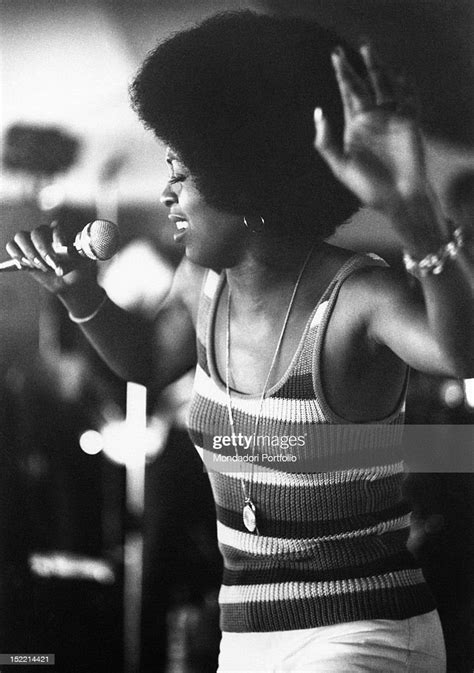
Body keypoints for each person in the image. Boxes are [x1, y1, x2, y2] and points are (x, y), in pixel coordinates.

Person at [6, 11, 473, 672]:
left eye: (180, 171)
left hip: (362, 631)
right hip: (247, 635)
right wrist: (79, 294)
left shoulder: (357, 297)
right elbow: (144, 361)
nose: (166, 191)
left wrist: (413, 210)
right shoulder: (201, 285)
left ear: (241, 177)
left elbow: (463, 353)